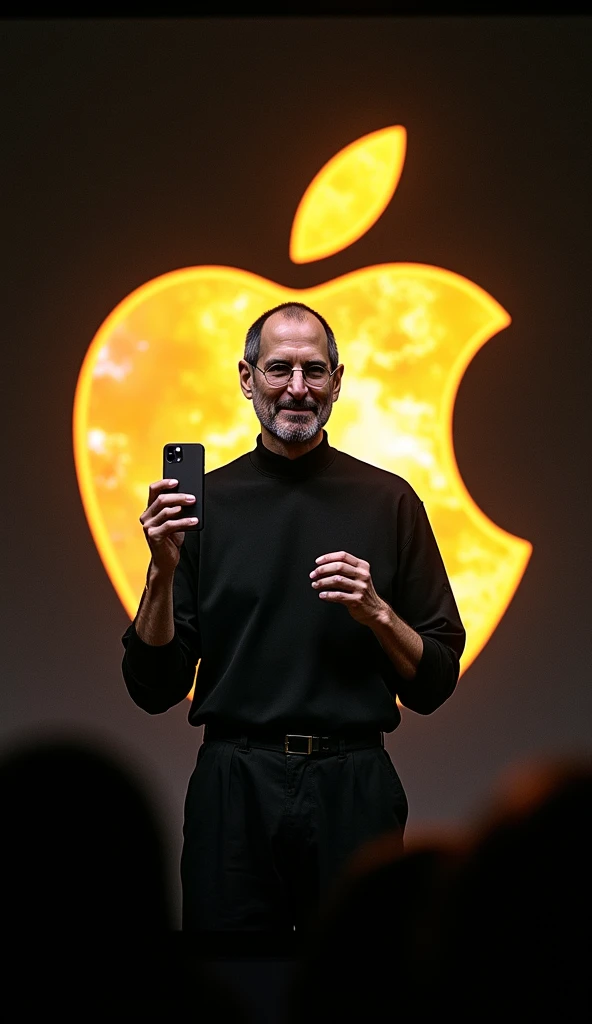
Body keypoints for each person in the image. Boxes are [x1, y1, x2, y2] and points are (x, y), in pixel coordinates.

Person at [121, 301, 466, 939]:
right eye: (280, 369)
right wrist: (162, 571)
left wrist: (377, 612)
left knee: (362, 987)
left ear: (338, 380)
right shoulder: (204, 507)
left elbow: (436, 680)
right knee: (230, 990)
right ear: (247, 378)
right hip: (234, 783)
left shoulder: (389, 500)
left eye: (314, 371)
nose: (297, 389)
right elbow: (153, 686)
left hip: (354, 783)